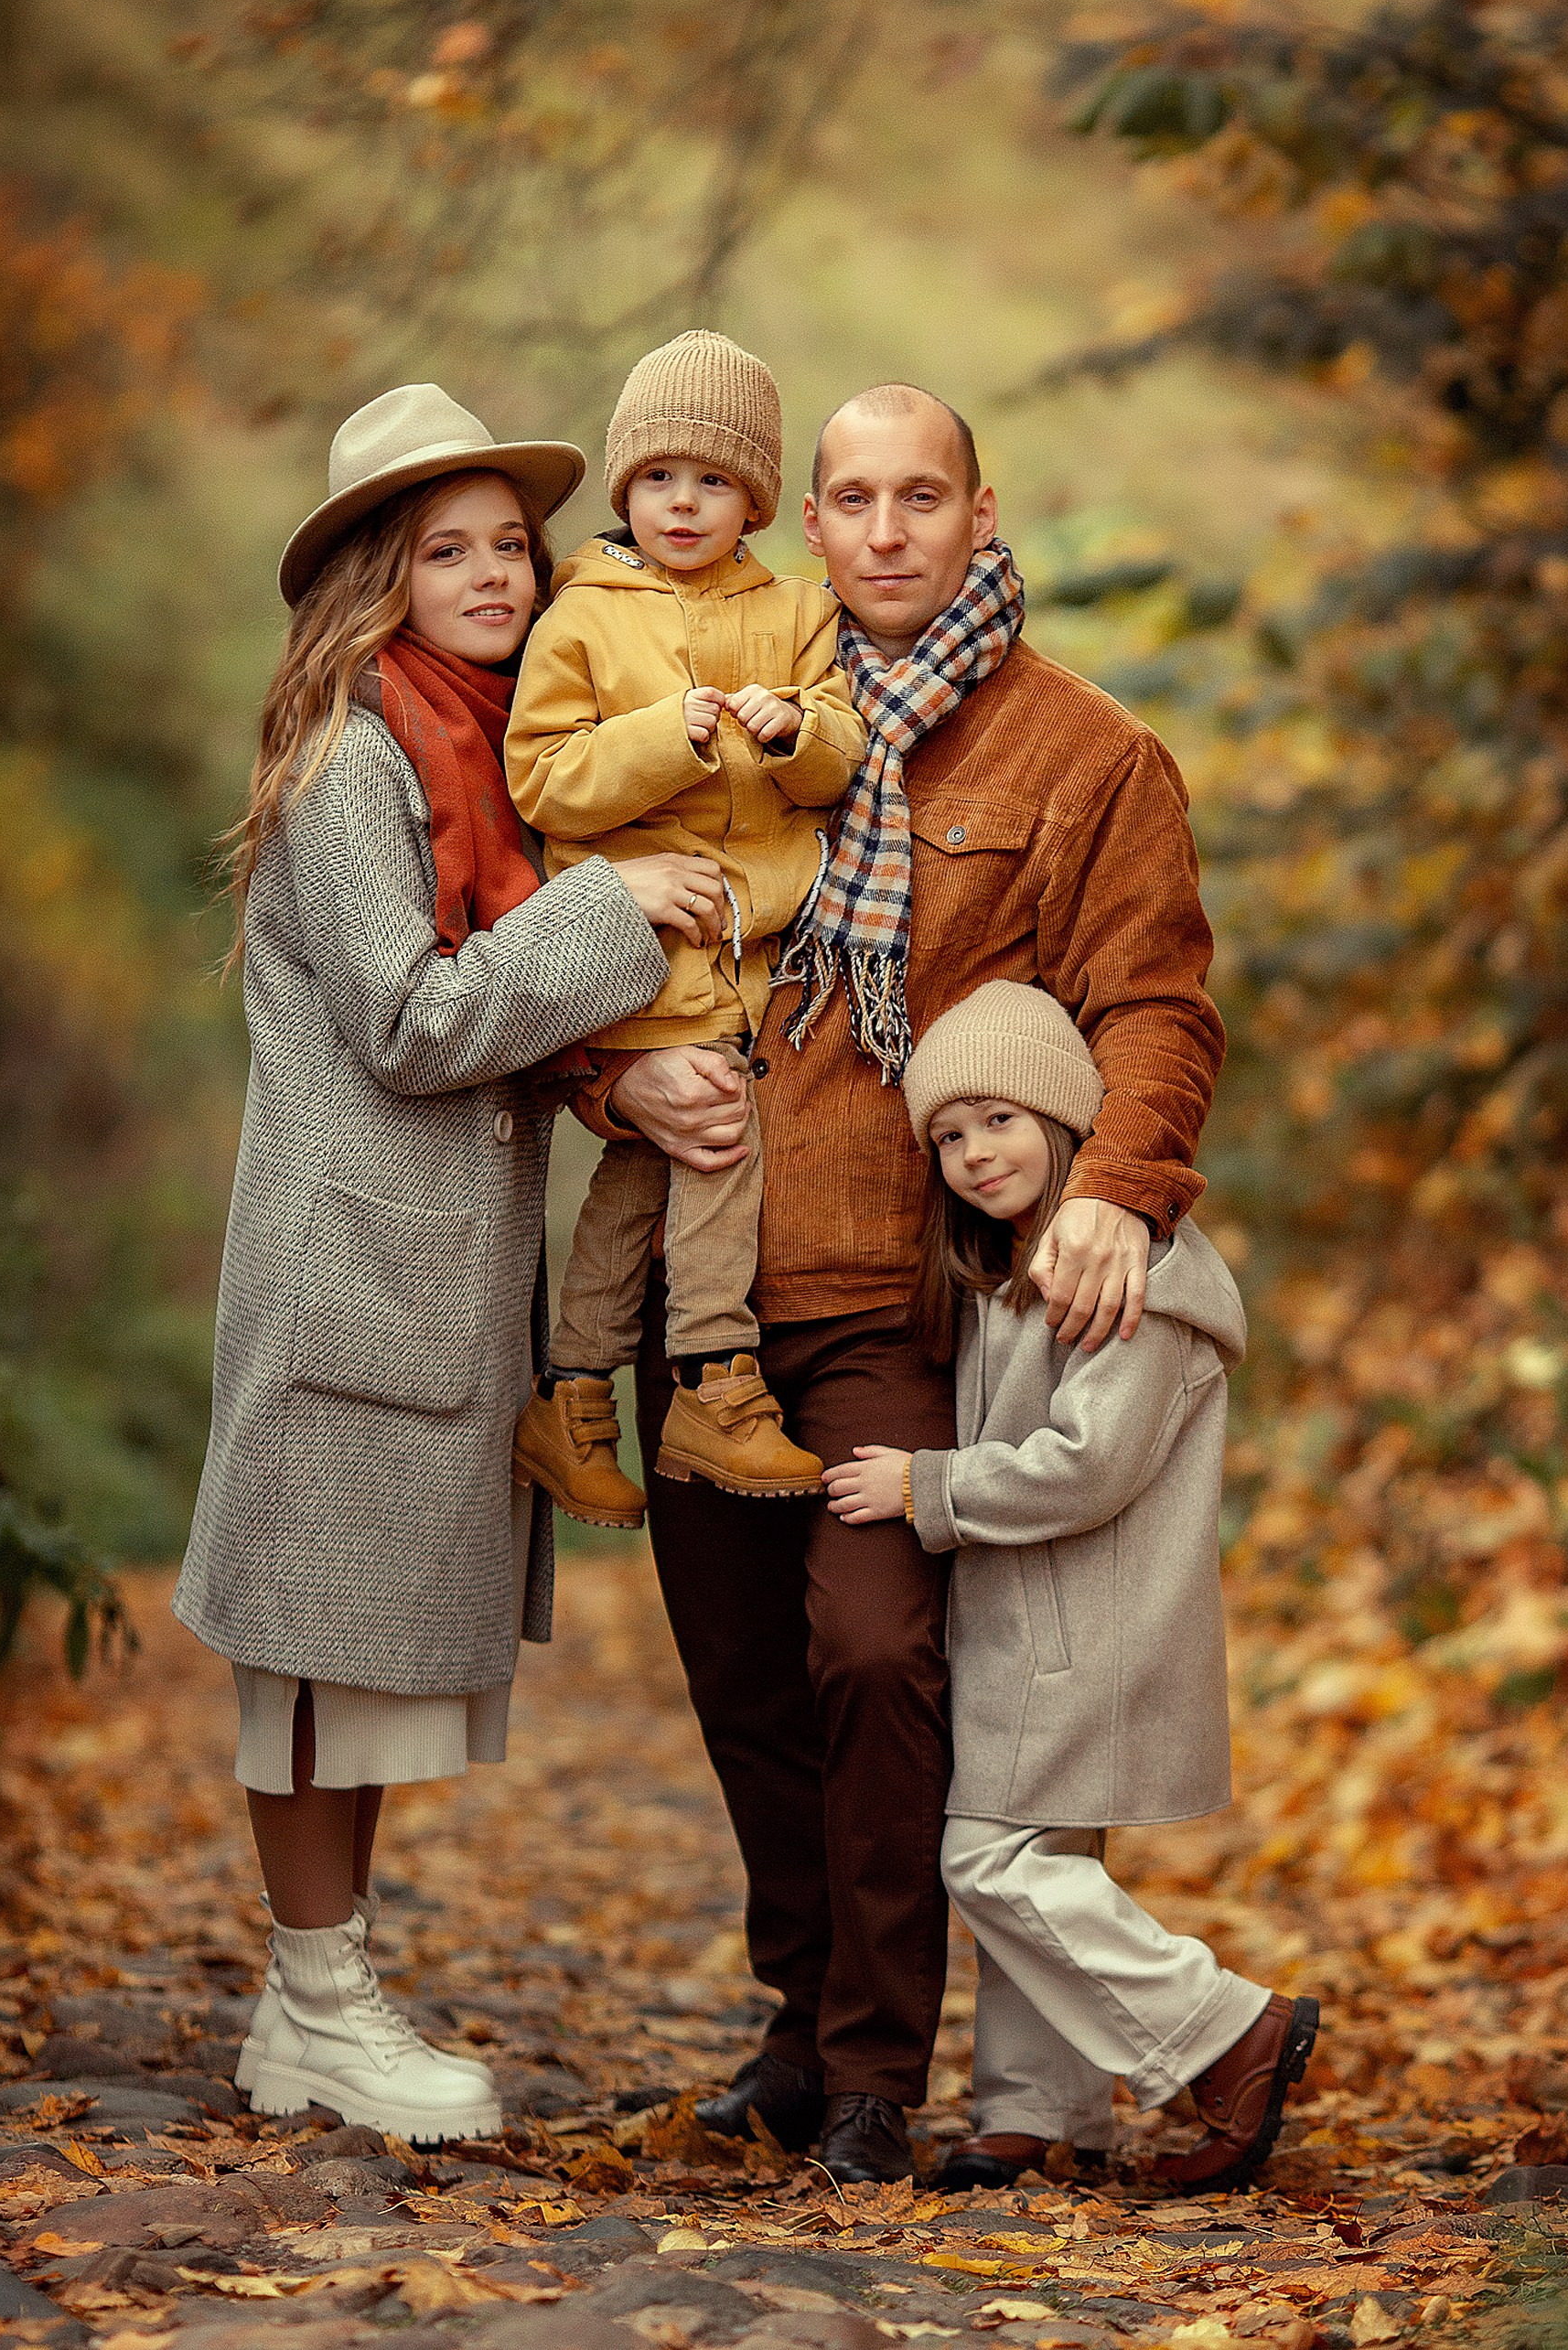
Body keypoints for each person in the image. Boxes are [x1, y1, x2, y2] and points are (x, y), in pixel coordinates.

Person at [573, 381, 1228, 2181]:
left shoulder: (1080, 754)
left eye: (915, 496)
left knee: (870, 1650)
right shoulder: (716, 712)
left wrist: (1119, 1189)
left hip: (898, 1299)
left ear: (974, 510)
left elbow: (1155, 1005)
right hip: (698, 1292)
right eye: (848, 498)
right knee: (741, 1683)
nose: (880, 531)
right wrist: (601, 1080)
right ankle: (803, 2025)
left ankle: (878, 2066)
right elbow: (577, 940)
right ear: (813, 518)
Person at [174, 383, 720, 2141]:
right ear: (373, 579)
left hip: (428, 1283)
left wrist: (621, 1056)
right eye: (449, 551)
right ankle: (319, 2004)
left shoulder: (484, 748)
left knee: (369, 1655)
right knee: (317, 1659)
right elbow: (415, 1026)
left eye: (511, 546)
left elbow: (499, 1023)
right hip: (350, 1275)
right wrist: (612, 906)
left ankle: (312, 2004)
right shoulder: (355, 758)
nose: (495, 575)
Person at [825, 980, 1321, 2194]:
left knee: (989, 1861)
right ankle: (1034, 2115)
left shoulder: (1120, 1267)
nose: (971, 1152)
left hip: (1084, 1628)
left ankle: (1224, 2031)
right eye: (947, 1135)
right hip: (1035, 1624)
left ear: (1063, 1118)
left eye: (997, 1120)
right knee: (1042, 1856)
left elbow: (1091, 1463)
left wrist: (927, 1490)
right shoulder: (1008, 1266)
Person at [505, 331, 866, 1520]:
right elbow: (545, 783)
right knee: (719, 1137)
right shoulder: (579, 619)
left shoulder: (799, 613)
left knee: (641, 1176)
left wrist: (791, 732)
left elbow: (838, 763)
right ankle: (714, 1376)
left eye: (712, 481)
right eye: (658, 478)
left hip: (757, 957)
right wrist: (670, 733)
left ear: (757, 497)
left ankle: (568, 1390)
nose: (682, 502)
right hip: (639, 957)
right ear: (626, 489)